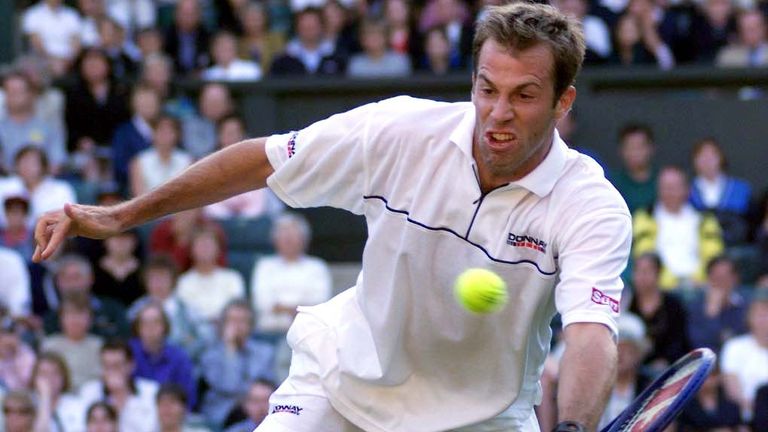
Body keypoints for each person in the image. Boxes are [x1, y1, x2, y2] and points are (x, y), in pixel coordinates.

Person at [33, 3, 632, 431]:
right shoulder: (400, 131)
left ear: (563, 102)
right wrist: (120, 217)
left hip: (483, 416)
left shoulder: (590, 205)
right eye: (486, 88)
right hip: (344, 383)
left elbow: (589, 335)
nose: (497, 113)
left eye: (524, 95)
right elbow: (261, 161)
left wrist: (575, 426)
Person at [632, 165, 724, 290]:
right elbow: (643, 253)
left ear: (687, 189)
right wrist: (670, 283)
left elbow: (714, 255)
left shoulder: (705, 220)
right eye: (665, 187)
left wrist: (698, 280)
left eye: (674, 187)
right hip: (660, 288)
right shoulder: (644, 218)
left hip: (700, 287)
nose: (669, 192)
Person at [251, 212, 332, 334]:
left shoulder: (317, 267)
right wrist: (298, 308)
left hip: (308, 332)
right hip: (270, 332)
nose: (288, 238)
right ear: (275, 239)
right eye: (283, 233)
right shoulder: (264, 266)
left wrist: (280, 308)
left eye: (293, 233)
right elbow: (262, 303)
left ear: (304, 239)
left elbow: (320, 303)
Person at [200, 300, 275, 428]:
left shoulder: (265, 352)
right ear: (223, 325)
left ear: (251, 325)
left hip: (258, 409)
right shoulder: (210, 355)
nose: (237, 326)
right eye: (232, 321)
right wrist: (230, 350)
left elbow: (264, 386)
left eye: (242, 321)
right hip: (223, 413)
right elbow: (229, 385)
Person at [80, 340, 159, 432]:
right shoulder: (89, 392)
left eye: (117, 365)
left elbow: (153, 428)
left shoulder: (151, 391)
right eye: (107, 366)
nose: (112, 371)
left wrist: (121, 393)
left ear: (131, 365)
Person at [128, 302, 197, 408]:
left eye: (156, 322)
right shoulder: (128, 353)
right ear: (137, 328)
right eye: (145, 323)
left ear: (165, 326)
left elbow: (188, 397)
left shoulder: (179, 357)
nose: (150, 327)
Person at [688, 137, 753, 246]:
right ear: (694, 161)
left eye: (712, 156)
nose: (707, 161)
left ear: (721, 158)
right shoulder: (685, 191)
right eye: (702, 156)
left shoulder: (741, 189)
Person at [0, 71, 67, 173]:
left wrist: (35, 181)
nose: (12, 96)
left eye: (17, 91)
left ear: (31, 94)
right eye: (8, 91)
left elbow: (57, 162)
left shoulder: (48, 128)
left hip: (44, 184)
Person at [176, 228, 245, 324]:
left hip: (226, 329)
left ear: (218, 250)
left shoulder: (232, 278)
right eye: (200, 245)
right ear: (191, 250)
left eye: (208, 245)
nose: (205, 249)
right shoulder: (184, 282)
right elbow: (186, 315)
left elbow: (237, 310)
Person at [720, 287, 768, 422]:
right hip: (748, 418)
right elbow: (732, 390)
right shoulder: (734, 347)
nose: (765, 320)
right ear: (749, 317)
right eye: (761, 314)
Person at [685, 255, 749, 353]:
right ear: (708, 279)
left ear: (735, 279)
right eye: (716, 278)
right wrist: (712, 314)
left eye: (725, 277)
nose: (721, 283)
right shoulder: (695, 307)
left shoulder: (747, 305)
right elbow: (701, 347)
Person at [40, 295, 104, 390]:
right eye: (70, 315)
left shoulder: (99, 345)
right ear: (61, 319)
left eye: (80, 315)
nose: (75, 320)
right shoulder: (49, 345)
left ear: (90, 319)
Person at [29, 351, 88, 432]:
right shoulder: (27, 404)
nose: (50, 379)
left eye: (55, 373)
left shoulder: (78, 405)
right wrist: (45, 398)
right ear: (34, 378)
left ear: (64, 377)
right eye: (44, 374)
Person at [608, 123, 658, 214]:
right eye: (630, 147)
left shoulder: (663, 180)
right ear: (621, 150)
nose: (635, 152)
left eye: (640, 147)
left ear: (651, 148)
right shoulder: (611, 183)